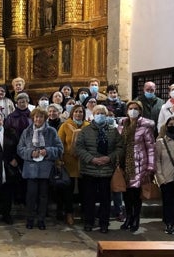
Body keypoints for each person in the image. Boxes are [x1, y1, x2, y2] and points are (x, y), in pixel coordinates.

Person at [75, 104, 123, 233]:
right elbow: (79, 147)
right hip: (89, 169)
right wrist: (91, 159)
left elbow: (120, 148)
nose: (100, 115)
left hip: (107, 170)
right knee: (89, 198)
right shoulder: (85, 130)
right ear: (93, 115)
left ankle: (104, 223)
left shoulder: (113, 130)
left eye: (103, 113)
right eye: (98, 113)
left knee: (105, 199)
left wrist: (109, 158)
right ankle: (89, 222)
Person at [17, 108, 63, 230]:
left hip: (45, 169)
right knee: (31, 196)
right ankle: (30, 219)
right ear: (33, 118)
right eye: (36, 117)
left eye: (41, 117)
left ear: (45, 118)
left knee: (43, 196)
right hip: (31, 169)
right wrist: (31, 153)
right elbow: (20, 149)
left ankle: (41, 219)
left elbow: (59, 149)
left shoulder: (52, 131)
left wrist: (47, 151)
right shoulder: (27, 132)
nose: (38, 119)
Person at [117, 100, 155, 232]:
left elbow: (150, 147)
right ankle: (128, 217)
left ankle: (135, 218)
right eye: (130, 108)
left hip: (139, 163)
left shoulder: (145, 126)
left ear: (140, 111)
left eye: (136, 108)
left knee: (136, 193)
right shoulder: (122, 125)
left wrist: (151, 166)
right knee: (126, 193)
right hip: (124, 163)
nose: (133, 111)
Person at [57, 104, 89, 225]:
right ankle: (69, 213)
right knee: (68, 192)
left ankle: (84, 213)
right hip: (69, 163)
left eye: (81, 112)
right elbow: (59, 143)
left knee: (84, 191)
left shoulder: (88, 126)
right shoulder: (65, 125)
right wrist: (59, 160)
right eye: (76, 112)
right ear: (72, 113)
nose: (78, 114)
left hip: (84, 163)